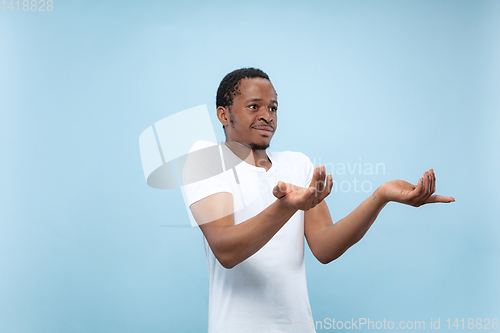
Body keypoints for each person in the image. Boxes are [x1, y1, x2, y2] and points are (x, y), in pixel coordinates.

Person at [181, 68, 455, 333]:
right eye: (254, 106)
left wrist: (379, 197)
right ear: (223, 114)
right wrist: (286, 206)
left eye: (273, 108)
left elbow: (325, 247)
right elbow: (226, 250)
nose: (267, 116)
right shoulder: (206, 159)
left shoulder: (297, 164)